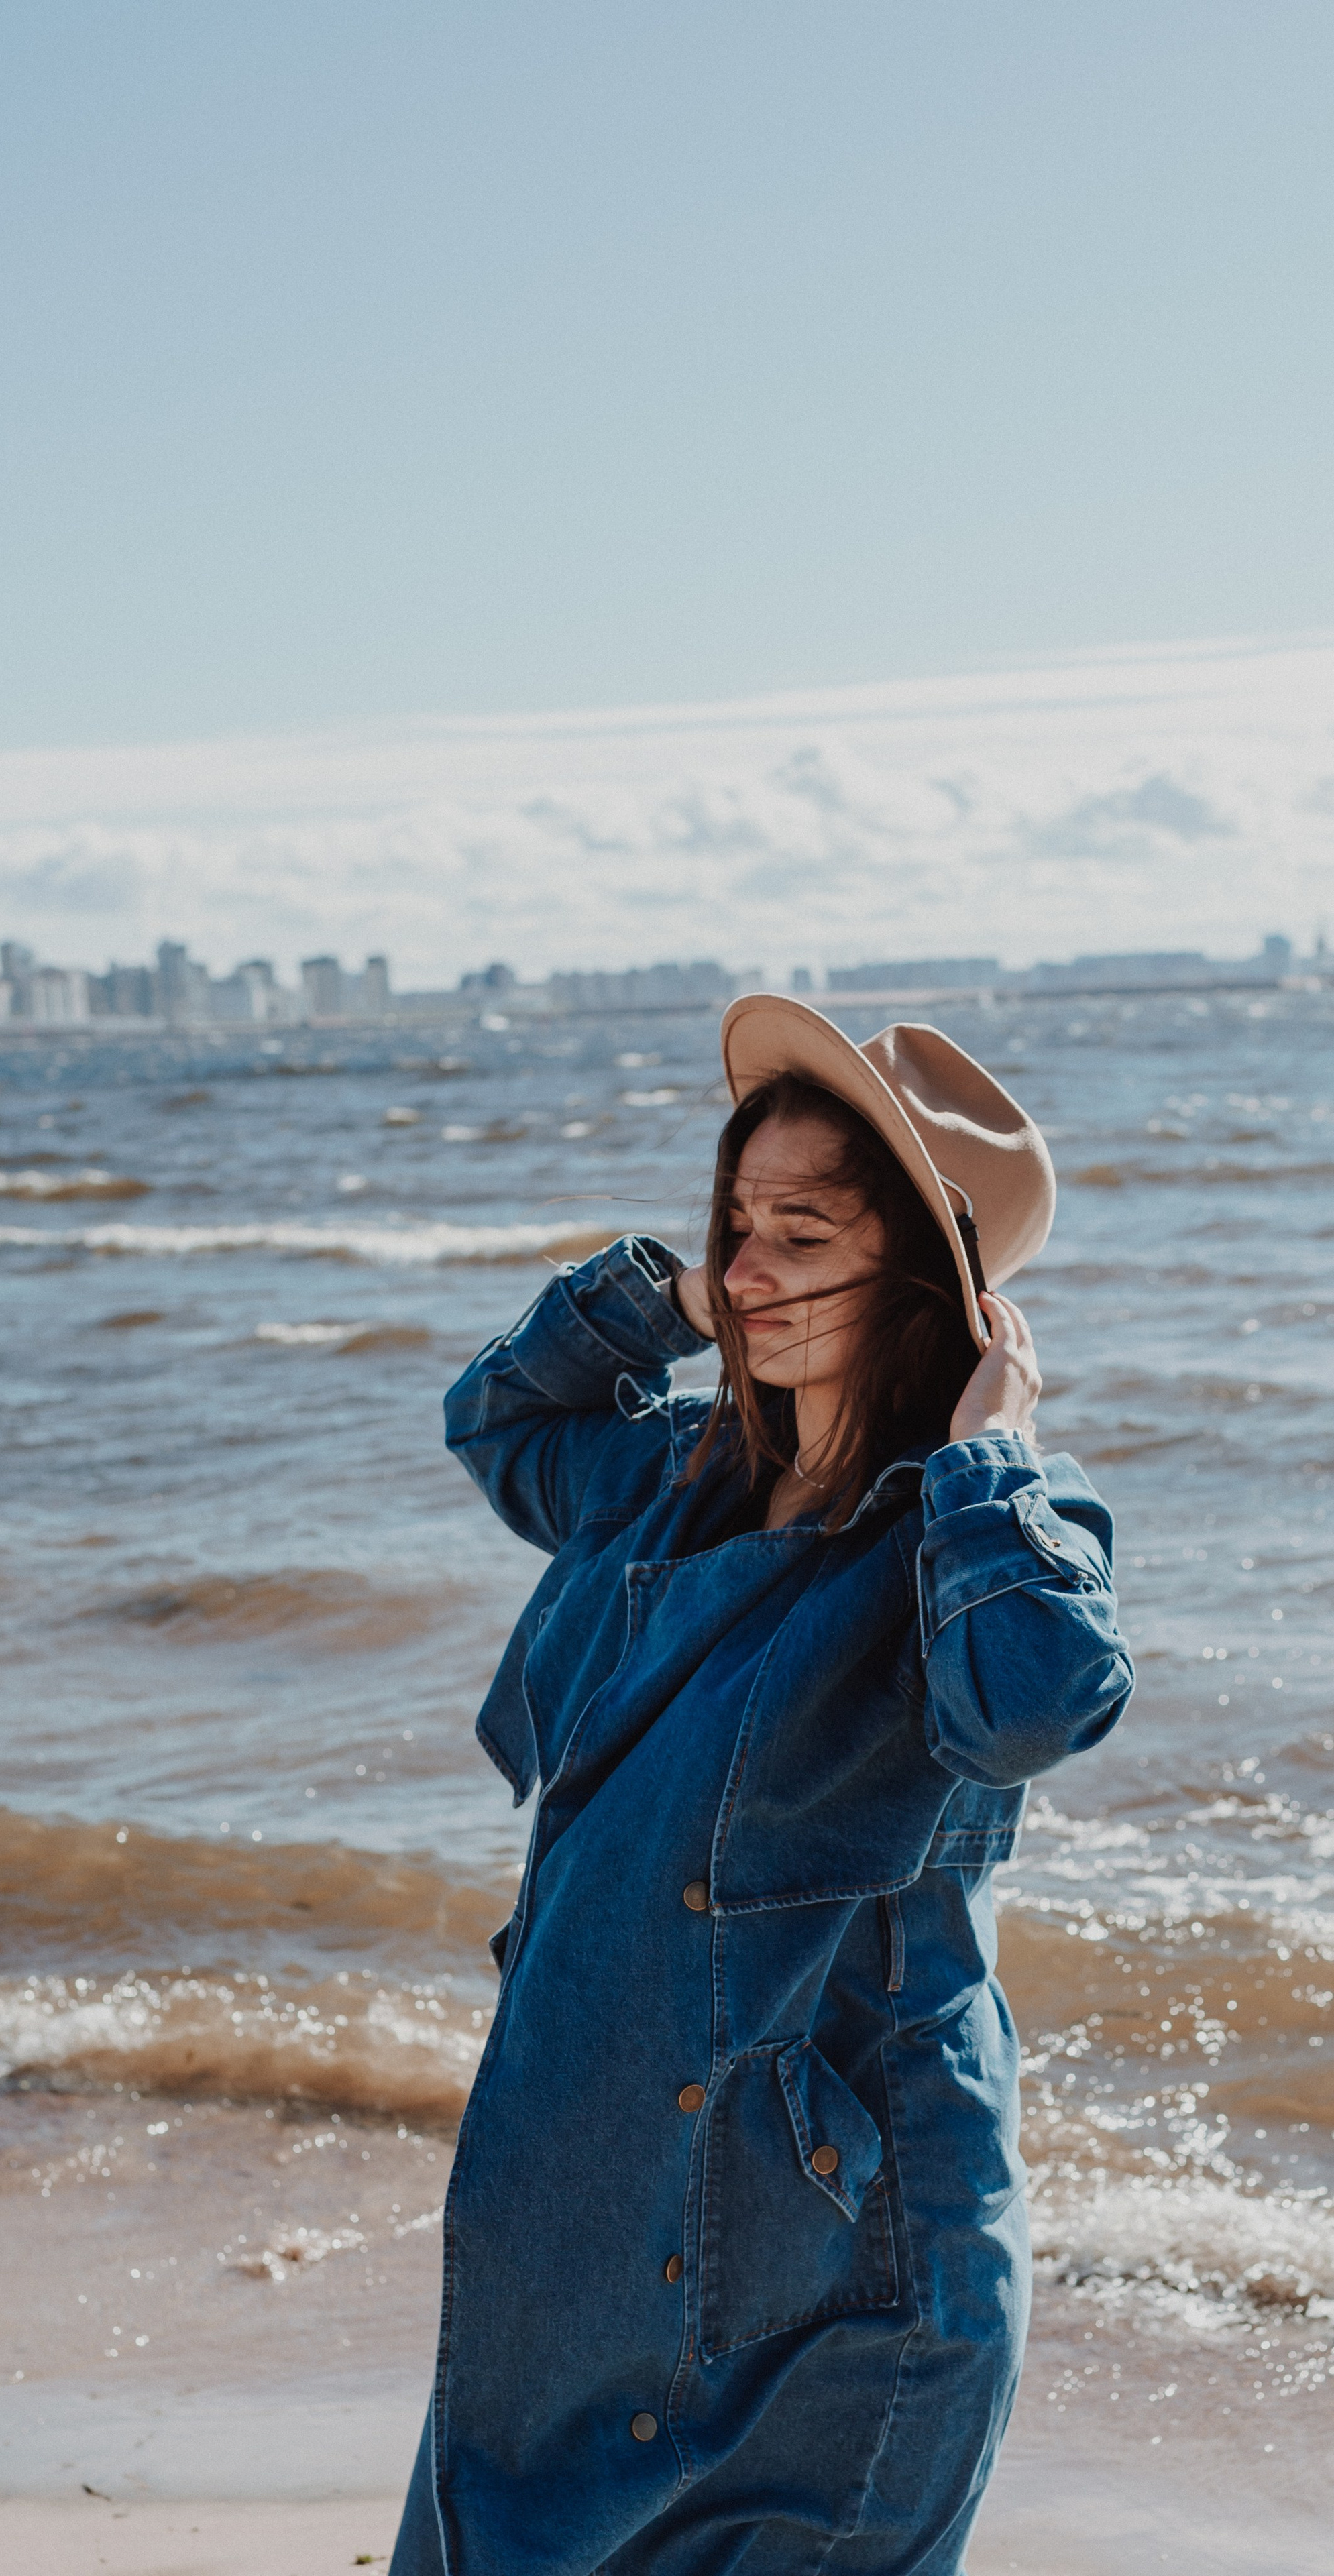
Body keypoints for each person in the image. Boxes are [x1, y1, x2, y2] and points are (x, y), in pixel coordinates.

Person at [391, 996, 1133, 2576]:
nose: (748, 1271)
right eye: (736, 1221)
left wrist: (987, 1458)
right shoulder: (668, 1475)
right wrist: (664, 1297)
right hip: (584, 2238)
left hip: (828, 2282)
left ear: (926, 1282)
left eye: (802, 1232)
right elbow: (497, 1416)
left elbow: (1028, 1708)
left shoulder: (978, 1527)